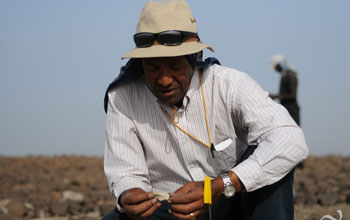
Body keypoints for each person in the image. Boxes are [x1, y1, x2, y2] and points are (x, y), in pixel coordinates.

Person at [102, 0, 308, 219]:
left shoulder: (228, 85)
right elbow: (125, 170)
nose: (163, 79)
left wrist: (220, 185)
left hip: (230, 202)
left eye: (174, 66)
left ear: (193, 59)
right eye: (151, 67)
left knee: (272, 166)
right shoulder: (123, 97)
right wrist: (129, 193)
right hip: (169, 210)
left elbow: (289, 138)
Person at [269, 54, 300, 125]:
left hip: (291, 110)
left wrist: (276, 96)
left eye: (276, 67)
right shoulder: (284, 75)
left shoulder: (290, 75)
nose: (276, 70)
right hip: (286, 108)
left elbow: (293, 95)